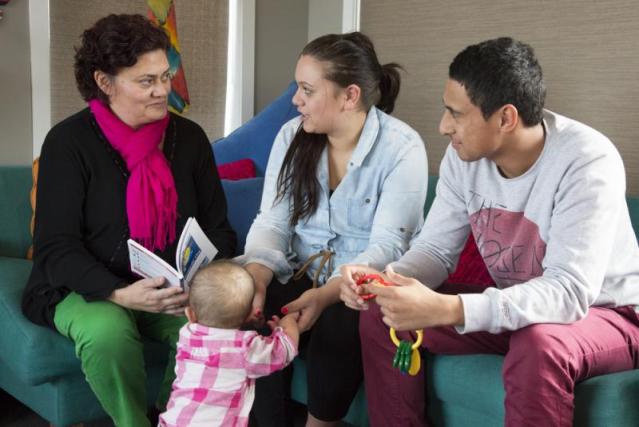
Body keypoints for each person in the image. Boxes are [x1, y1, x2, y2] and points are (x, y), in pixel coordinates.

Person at [340, 37, 639, 427]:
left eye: (456, 113)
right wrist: (386, 281)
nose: (443, 126)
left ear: (506, 118)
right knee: (384, 312)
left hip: (607, 315)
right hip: (519, 305)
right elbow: (435, 250)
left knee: (540, 344)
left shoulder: (586, 161)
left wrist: (450, 308)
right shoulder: (463, 159)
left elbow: (568, 293)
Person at [21, 14, 236, 427]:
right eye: (146, 81)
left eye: (165, 76)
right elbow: (55, 246)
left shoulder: (189, 140)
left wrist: (199, 280)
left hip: (170, 288)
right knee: (107, 335)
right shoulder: (68, 143)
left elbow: (220, 229)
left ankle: (173, 417)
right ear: (105, 82)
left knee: (210, 326)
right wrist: (119, 293)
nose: (162, 91)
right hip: (82, 287)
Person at [236, 32, 428, 426]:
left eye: (307, 90)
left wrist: (326, 294)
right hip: (297, 270)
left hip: (359, 281)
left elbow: (390, 246)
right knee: (250, 305)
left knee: (347, 319)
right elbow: (272, 221)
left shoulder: (402, 148)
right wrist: (256, 275)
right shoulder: (292, 136)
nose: (295, 100)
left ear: (350, 96)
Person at [159, 261, 300, 427]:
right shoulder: (245, 347)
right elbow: (284, 350)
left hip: (173, 421)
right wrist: (288, 323)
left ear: (190, 314)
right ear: (251, 313)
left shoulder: (187, 334)